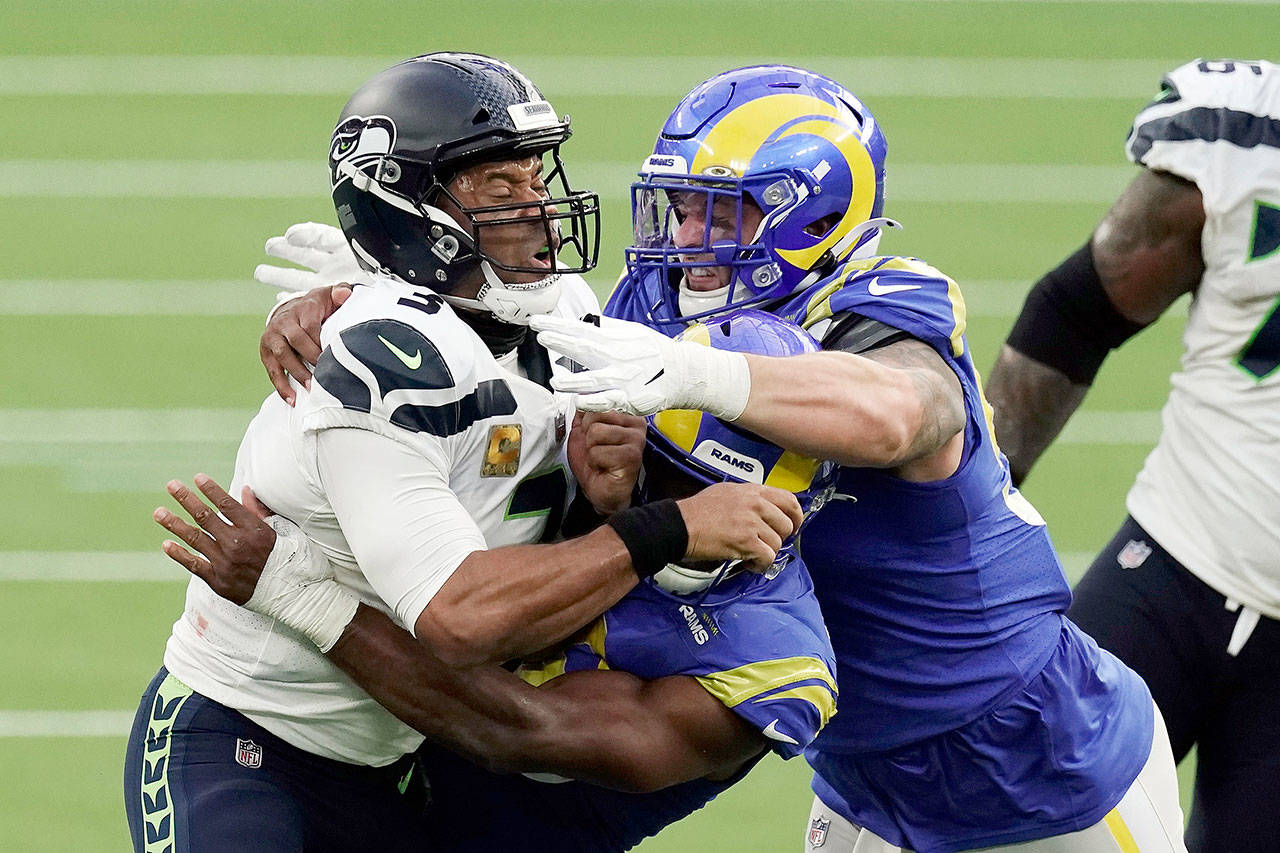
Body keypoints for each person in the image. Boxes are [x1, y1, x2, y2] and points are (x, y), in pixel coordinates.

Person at [257, 64, 1188, 853]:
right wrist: (368, 289)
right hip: (862, 777)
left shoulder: (882, 306)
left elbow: (903, 413)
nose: (686, 243)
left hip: (1044, 757)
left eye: (721, 215)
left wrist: (705, 374)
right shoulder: (661, 302)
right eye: (683, 210)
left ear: (812, 215)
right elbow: (510, 321)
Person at [123, 53, 801, 853]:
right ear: (406, 205)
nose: (540, 210)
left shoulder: (565, 314)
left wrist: (604, 502)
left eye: (535, 180)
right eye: (500, 188)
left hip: (402, 757)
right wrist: (663, 528)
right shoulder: (383, 360)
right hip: (246, 734)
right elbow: (462, 614)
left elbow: (525, 652)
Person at [158, 309, 840, 852]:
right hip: (339, 768)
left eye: (684, 487)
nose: (652, 490)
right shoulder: (613, 469)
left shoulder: (773, 658)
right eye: (649, 455)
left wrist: (300, 594)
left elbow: (519, 729)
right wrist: (335, 309)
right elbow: (479, 335)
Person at [984, 58, 1280, 852]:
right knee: (1005, 825)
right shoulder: (1249, 135)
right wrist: (965, 521)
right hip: (1176, 563)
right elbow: (1078, 313)